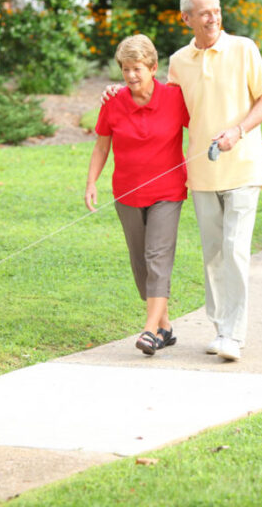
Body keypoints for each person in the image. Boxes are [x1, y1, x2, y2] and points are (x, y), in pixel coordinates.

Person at [102, 0, 262, 361]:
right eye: (203, 13)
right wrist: (122, 90)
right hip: (200, 173)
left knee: (235, 249)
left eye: (216, 10)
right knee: (213, 253)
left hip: (243, 167)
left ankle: (234, 333)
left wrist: (238, 131)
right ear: (186, 19)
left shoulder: (244, 48)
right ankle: (219, 327)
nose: (212, 17)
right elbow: (163, 102)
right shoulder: (179, 61)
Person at [86, 34, 189, 356]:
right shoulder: (113, 102)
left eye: (138, 69)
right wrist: (91, 182)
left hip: (167, 192)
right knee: (139, 262)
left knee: (157, 257)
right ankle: (165, 326)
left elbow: (202, 127)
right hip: (127, 193)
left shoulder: (175, 98)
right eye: (126, 69)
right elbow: (102, 145)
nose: (131, 76)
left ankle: (148, 330)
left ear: (153, 68)